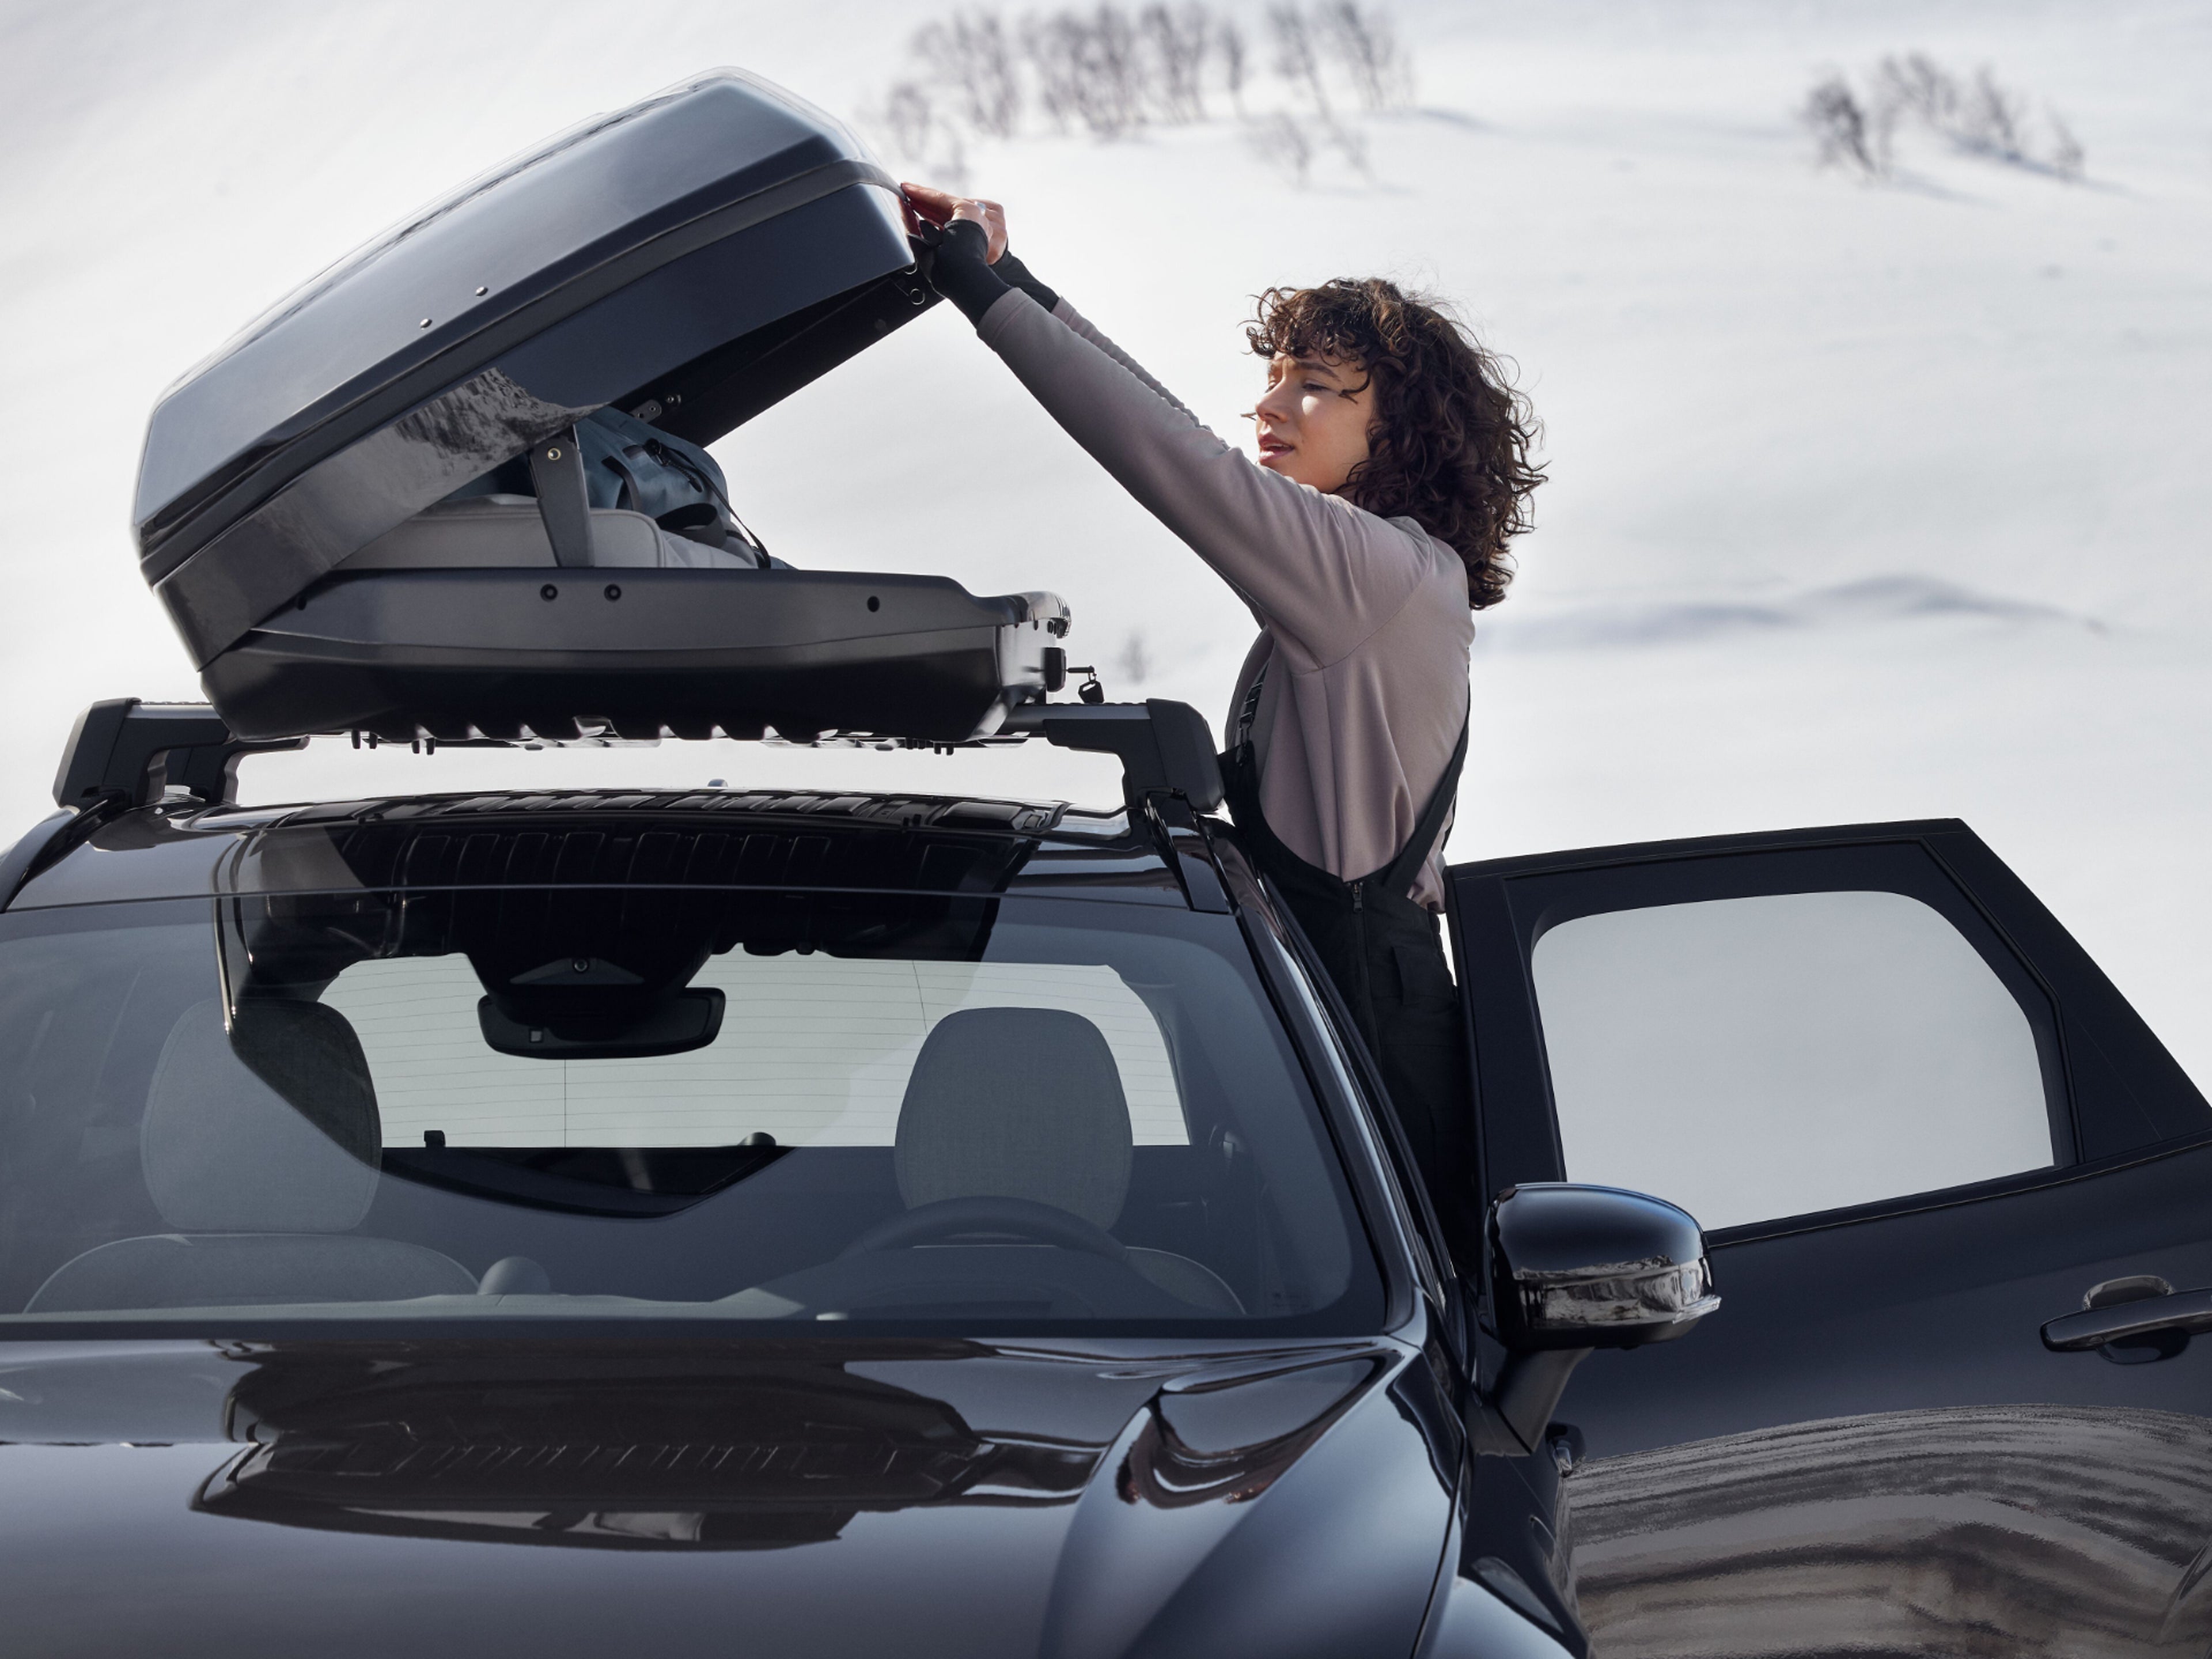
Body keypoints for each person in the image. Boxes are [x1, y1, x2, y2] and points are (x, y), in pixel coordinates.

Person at [902, 183, 1543, 1261]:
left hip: (1374, 1044)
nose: (1273, 407)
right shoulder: (1376, 573)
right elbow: (1190, 439)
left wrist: (987, 300)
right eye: (1275, 377)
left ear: (1403, 430)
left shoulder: (1376, 575)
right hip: (1340, 1026)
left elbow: (1179, 465)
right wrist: (1014, 286)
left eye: (1319, 388)